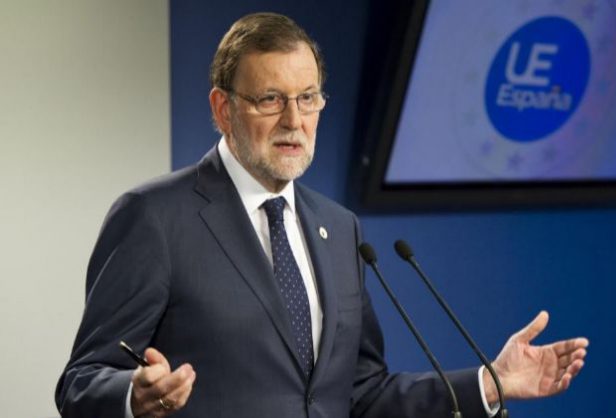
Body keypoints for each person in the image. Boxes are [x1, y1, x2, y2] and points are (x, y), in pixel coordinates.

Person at [55, 12, 588, 418]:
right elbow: (81, 381)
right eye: (270, 99)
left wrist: (489, 384)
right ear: (223, 108)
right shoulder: (155, 217)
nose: (294, 120)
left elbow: (362, 393)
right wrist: (132, 396)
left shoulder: (338, 228)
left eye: (307, 97)